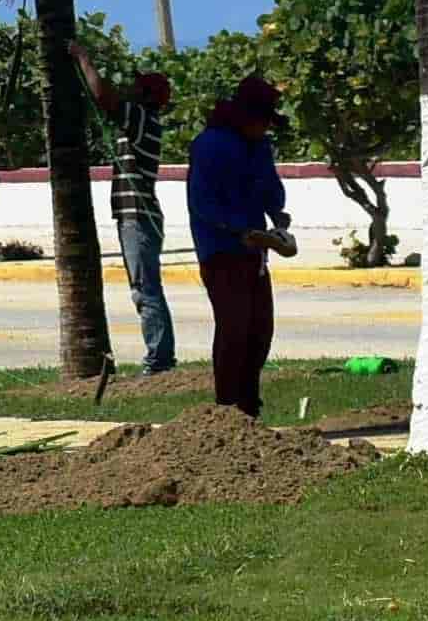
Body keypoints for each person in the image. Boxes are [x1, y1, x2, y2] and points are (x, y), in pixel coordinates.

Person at [185, 72, 299, 416]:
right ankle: (227, 407)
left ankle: (249, 405)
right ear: (245, 117)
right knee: (234, 328)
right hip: (220, 250)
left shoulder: (260, 146)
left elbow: (270, 190)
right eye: (261, 122)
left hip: (256, 252)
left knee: (260, 330)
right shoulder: (209, 145)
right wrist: (239, 230)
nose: (264, 130)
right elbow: (203, 204)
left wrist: (277, 217)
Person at [79, 47, 177, 375]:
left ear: (147, 96)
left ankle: (159, 360)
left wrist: (85, 60)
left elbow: (104, 97)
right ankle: (160, 357)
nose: (130, 89)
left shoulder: (140, 118)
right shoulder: (142, 121)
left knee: (145, 289)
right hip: (135, 216)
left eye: (137, 87)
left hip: (138, 217)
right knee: (146, 287)